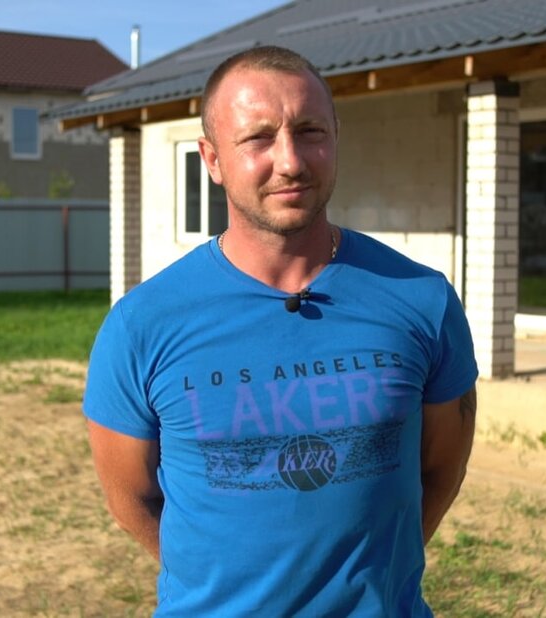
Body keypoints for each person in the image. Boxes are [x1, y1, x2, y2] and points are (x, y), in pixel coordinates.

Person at [84, 45, 478, 616]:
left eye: (310, 131)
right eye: (259, 138)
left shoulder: (422, 299)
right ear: (212, 159)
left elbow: (441, 469)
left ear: (336, 138)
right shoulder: (143, 325)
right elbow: (132, 500)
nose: (291, 161)